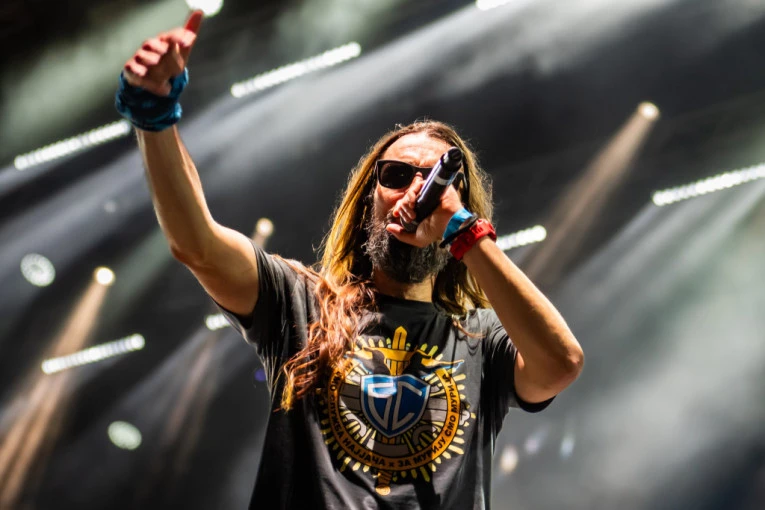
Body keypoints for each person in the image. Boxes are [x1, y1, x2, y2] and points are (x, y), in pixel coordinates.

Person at [118, 10, 584, 510]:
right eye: (397, 175)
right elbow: (196, 244)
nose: (414, 193)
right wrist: (155, 116)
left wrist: (466, 233)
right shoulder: (301, 302)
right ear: (367, 202)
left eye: (435, 184)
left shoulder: (481, 337)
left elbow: (560, 364)